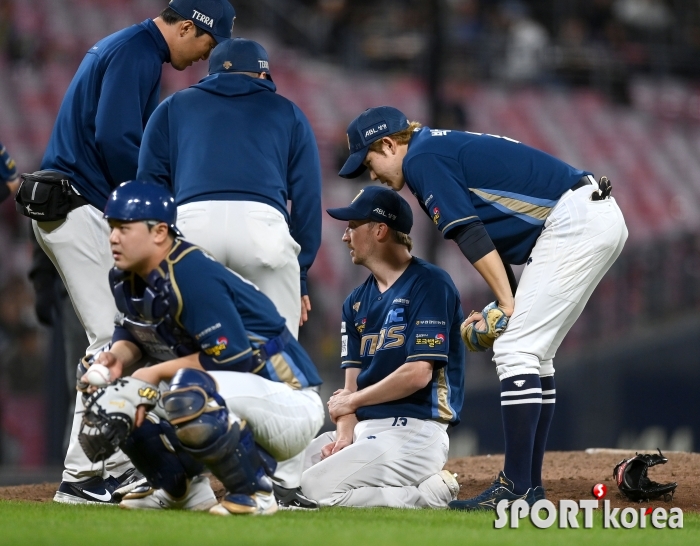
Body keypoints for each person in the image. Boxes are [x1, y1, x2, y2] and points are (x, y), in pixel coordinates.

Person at [337, 106, 628, 510]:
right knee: (534, 354)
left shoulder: (422, 159)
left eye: (369, 161)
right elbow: (491, 239)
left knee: (515, 350)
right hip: (584, 215)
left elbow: (470, 234)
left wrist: (507, 304)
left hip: (574, 222)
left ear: (388, 144)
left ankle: (516, 487)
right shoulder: (432, 149)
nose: (371, 174)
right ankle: (528, 487)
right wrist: (504, 302)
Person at [27, 0, 236, 504]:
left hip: (74, 204)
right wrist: (149, 209)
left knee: (124, 335)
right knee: (111, 336)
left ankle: (114, 464)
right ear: (188, 27)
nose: (206, 54)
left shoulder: (130, 46)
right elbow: (116, 136)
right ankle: (84, 475)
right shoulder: (139, 52)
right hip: (81, 206)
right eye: (208, 42)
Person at [82, 180, 324, 514]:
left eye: (124, 227)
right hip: (235, 392)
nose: (113, 237)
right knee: (105, 383)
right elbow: (131, 333)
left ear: (159, 232)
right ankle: (178, 487)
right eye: (111, 227)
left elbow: (231, 357)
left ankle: (256, 491)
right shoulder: (125, 276)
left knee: (186, 391)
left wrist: (150, 374)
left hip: (288, 400)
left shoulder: (190, 271)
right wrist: (114, 358)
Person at [137, 38, 322, 340]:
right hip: (263, 231)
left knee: (185, 356)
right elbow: (308, 199)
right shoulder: (289, 112)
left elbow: (147, 187)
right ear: (263, 76)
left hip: (191, 228)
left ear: (210, 75)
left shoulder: (172, 106)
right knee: (278, 361)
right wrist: (300, 275)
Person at [300, 186, 464, 508]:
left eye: (352, 226)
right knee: (283, 479)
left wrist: (354, 401)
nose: (345, 236)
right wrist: (345, 435)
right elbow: (349, 392)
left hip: (416, 432)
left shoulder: (430, 284)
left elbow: (417, 374)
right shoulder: (355, 302)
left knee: (314, 487)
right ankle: (415, 494)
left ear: (379, 230)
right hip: (366, 431)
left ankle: (424, 498)